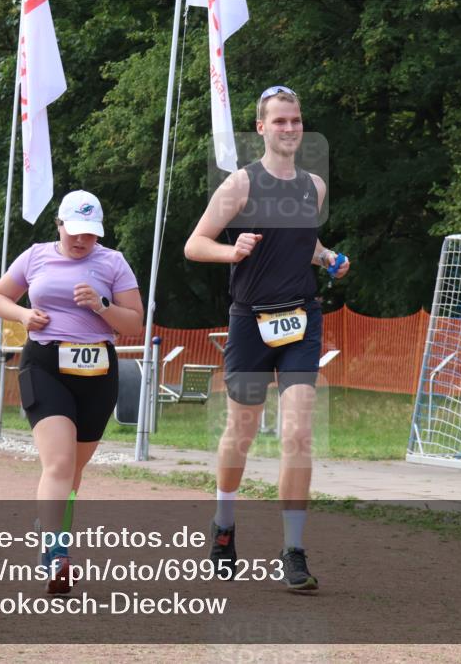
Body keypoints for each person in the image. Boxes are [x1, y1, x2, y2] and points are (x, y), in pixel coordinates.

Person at [184, 86, 350, 592]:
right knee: (242, 432)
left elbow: (305, 240)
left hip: (301, 320)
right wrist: (231, 252)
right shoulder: (240, 185)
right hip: (250, 322)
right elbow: (196, 244)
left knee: (298, 434)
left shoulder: (314, 187)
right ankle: (224, 527)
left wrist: (328, 259)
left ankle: (293, 551)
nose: (290, 129)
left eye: (296, 120)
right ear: (261, 128)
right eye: (279, 121)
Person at [0, 190, 143, 594]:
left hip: (97, 369)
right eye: (75, 232)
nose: (81, 241)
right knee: (57, 464)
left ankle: (49, 528)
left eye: (90, 234)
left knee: (74, 469)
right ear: (59, 224)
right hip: (44, 364)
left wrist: (102, 305)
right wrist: (24, 314)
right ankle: (56, 555)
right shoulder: (36, 255)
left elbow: (133, 325)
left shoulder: (113, 262)